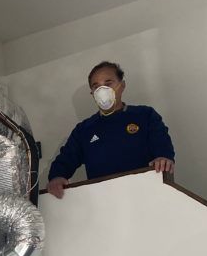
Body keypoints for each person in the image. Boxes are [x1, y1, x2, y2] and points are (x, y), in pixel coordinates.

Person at [47, 62, 175, 199]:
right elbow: (66, 158)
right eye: (96, 86)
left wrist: (164, 157)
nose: (102, 90)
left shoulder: (145, 115)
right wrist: (57, 176)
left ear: (122, 85)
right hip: (105, 201)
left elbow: (161, 143)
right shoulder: (84, 129)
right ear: (92, 94)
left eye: (108, 84)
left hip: (147, 194)